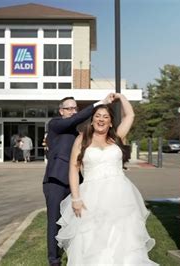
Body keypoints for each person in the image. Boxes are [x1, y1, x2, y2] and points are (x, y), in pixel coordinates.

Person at [56, 93, 157, 265]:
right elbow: (73, 169)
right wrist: (76, 198)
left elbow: (130, 115)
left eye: (105, 117)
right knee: (92, 236)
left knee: (121, 235)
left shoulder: (117, 137)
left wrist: (121, 97)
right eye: (97, 116)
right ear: (92, 120)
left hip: (120, 195)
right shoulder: (82, 139)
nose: (101, 120)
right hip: (91, 197)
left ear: (111, 122)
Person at [43, 93, 115, 266]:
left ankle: (80, 253)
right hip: (55, 181)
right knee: (54, 221)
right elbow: (73, 121)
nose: (73, 111)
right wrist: (101, 103)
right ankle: (54, 260)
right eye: (69, 108)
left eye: (75, 108)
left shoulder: (76, 134)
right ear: (61, 111)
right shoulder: (55, 125)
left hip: (75, 182)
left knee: (79, 219)